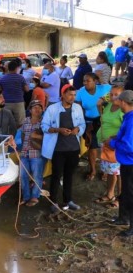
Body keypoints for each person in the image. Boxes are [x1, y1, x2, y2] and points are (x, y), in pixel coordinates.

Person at [41, 85, 86, 213]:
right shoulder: (52, 108)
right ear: (63, 95)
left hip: (73, 148)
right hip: (58, 149)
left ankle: (68, 200)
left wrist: (78, 129)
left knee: (69, 175)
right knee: (56, 175)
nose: (73, 97)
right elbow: (44, 126)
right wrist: (57, 130)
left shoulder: (77, 108)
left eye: (74, 95)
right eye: (70, 95)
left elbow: (82, 124)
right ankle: (53, 202)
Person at [75, 73, 111, 180]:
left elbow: (118, 91)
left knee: (106, 146)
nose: (85, 83)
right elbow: (78, 108)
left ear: (95, 81)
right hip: (89, 122)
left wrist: (107, 101)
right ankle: (93, 170)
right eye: (84, 81)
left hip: (103, 121)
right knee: (92, 147)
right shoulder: (81, 92)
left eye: (88, 80)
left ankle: (106, 171)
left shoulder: (104, 88)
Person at [107, 90, 133, 236]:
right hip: (126, 162)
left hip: (130, 163)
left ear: (123, 102)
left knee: (130, 193)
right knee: (125, 191)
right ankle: (123, 217)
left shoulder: (131, 120)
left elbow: (129, 146)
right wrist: (116, 137)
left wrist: (112, 142)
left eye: (119, 100)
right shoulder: (128, 117)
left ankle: (131, 225)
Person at [96, 86, 124, 209]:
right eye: (111, 94)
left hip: (116, 146)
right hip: (105, 145)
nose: (113, 97)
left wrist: (113, 138)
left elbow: (127, 130)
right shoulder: (108, 106)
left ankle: (120, 198)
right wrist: (99, 104)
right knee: (110, 172)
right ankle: (110, 194)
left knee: (119, 173)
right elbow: (102, 117)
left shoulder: (123, 110)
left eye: (116, 94)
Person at [19, 100, 45, 207]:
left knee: (37, 175)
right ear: (30, 110)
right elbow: (22, 135)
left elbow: (49, 138)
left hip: (37, 153)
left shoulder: (44, 122)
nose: (37, 109)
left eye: (39, 107)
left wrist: (37, 137)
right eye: (35, 107)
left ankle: (35, 196)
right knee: (23, 176)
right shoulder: (25, 121)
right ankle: (26, 196)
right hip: (24, 153)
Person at [0, 59, 28, 126]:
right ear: (16, 68)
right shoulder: (21, 78)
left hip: (6, 103)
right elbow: (27, 89)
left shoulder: (2, 78)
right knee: (20, 123)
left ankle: (7, 135)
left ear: (8, 68)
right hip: (18, 102)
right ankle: (17, 136)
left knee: (6, 123)